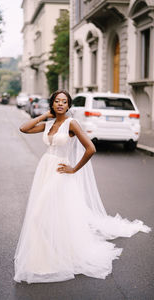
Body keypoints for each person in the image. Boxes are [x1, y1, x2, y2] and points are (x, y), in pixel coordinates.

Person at [14, 90, 151, 284]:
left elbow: (91, 148)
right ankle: (47, 254)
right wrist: (45, 115)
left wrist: (74, 169)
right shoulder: (48, 124)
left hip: (61, 172)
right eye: (57, 101)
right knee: (51, 214)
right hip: (45, 169)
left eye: (64, 102)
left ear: (68, 106)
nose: (60, 104)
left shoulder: (72, 124)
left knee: (37, 214)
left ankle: (59, 255)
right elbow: (24, 128)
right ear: (52, 104)